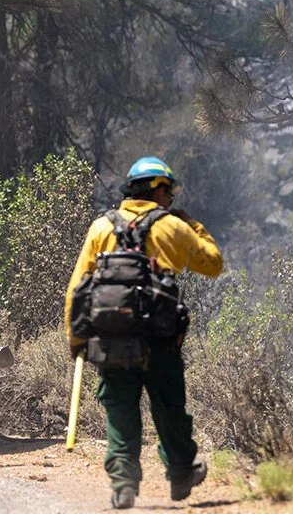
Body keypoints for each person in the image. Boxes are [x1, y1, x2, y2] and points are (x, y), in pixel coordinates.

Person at [64, 157, 223, 509]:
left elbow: (78, 287)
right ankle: (181, 472)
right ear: (159, 189)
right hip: (160, 338)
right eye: (169, 192)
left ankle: (123, 483)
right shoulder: (173, 227)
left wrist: (77, 339)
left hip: (111, 338)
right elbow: (213, 264)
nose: (171, 200)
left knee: (120, 408)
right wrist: (190, 224)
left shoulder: (100, 228)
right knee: (169, 407)